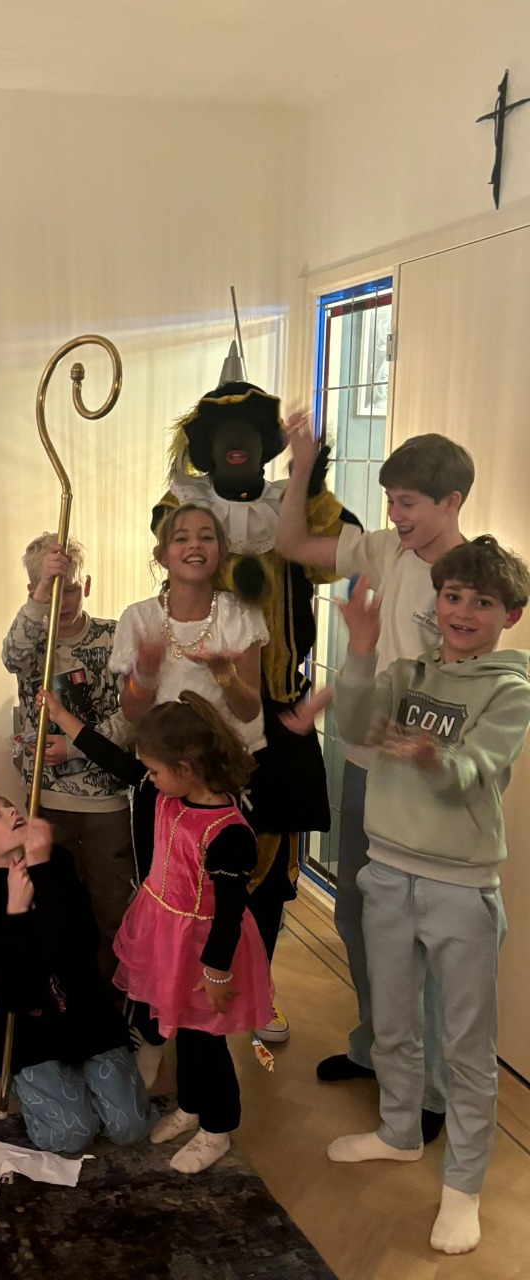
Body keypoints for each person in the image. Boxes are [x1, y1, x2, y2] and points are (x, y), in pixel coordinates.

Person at [326, 536, 530, 1256]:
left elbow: (476, 768)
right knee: (393, 1025)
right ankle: (398, 1132)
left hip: (461, 889)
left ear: (510, 615)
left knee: (467, 1049)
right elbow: (353, 727)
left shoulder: (511, 689)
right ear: (437, 600)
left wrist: (429, 757)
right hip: (386, 872)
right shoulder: (406, 672)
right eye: (453, 596)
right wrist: (359, 651)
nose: (463, 611)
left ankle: (464, 1187)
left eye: (483, 601)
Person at [276, 428, 474, 1138]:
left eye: (409, 501)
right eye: (391, 499)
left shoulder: (472, 579)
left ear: (451, 501)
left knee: (417, 936)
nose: (395, 513)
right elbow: (292, 544)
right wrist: (302, 467)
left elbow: (459, 689)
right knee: (358, 916)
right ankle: (376, 1049)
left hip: (420, 781)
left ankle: (429, 1092)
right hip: (364, 764)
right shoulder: (387, 550)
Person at [151, 379, 361, 1043]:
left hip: (280, 712)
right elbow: (172, 545)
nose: (235, 446)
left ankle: (259, 988)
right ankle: (188, 982)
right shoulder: (184, 508)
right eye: (223, 436)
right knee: (190, 858)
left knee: (268, 869)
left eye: (248, 435)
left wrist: (308, 480)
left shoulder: (289, 513)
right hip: (201, 712)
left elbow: (343, 549)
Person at [114, 693, 272, 1175]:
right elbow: (121, 766)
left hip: (207, 951)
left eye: (155, 771)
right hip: (168, 937)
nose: (149, 779)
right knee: (183, 1031)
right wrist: (62, 719)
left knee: (207, 1042)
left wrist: (217, 972)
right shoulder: (169, 795)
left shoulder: (228, 834)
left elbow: (230, 913)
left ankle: (218, 1127)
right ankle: (191, 1105)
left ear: (185, 768)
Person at [0, 792, 153, 1155]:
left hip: (87, 1012)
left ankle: (81, 1078)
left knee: (131, 1127)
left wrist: (42, 870)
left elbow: (82, 949)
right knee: (69, 1135)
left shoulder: (57, 862)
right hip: (34, 1024)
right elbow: (13, 992)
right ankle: (40, 1074)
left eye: (8, 805)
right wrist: (16, 911)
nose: (12, 810)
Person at [2, 533, 135, 980]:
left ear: (87, 585)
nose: (63, 601)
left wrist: (77, 745)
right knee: (56, 906)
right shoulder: (32, 643)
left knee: (112, 905)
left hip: (104, 802)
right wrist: (42, 590)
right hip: (47, 798)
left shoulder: (114, 637)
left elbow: (130, 715)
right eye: (51, 590)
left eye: (71, 588)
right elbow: (11, 656)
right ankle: (66, 994)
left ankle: (116, 997)